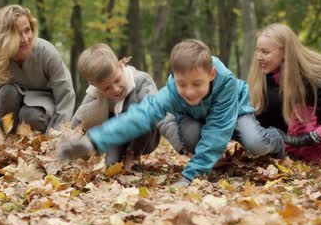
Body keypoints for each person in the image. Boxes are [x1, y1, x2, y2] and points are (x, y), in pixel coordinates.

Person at [57, 39, 285, 187]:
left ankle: (277, 139)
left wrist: (189, 176)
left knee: (255, 143)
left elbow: (217, 133)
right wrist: (93, 142)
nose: (189, 91)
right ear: (174, 77)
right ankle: (207, 158)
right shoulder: (175, 90)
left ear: (211, 75)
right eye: (181, 84)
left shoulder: (224, 86)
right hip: (198, 116)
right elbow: (140, 115)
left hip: (234, 114)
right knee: (192, 136)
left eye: (197, 84)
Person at [246, 23, 321, 164]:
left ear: (285, 52)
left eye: (265, 52)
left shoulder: (318, 75)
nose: (259, 57)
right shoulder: (265, 79)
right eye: (257, 51)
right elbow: (262, 119)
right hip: (289, 141)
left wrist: (298, 141)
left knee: (302, 111)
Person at [0, 4, 75, 142]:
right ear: (3, 38)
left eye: (27, 30)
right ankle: (10, 140)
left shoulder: (46, 53)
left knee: (31, 115)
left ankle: (36, 146)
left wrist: (55, 137)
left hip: (42, 112)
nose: (25, 39)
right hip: (9, 117)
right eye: (17, 34)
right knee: (6, 94)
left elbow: (66, 97)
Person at [70, 43, 179, 168]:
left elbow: (159, 112)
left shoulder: (141, 81)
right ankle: (113, 155)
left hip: (144, 135)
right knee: (109, 164)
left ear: (121, 66)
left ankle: (133, 155)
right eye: (106, 88)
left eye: (117, 80)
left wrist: (178, 142)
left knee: (140, 113)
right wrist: (68, 138)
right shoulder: (95, 92)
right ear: (94, 85)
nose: (115, 89)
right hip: (118, 136)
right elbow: (80, 116)